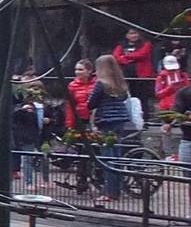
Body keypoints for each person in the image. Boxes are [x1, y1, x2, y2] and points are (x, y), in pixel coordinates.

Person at [87, 53, 136, 205]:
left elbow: (91, 103)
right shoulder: (120, 84)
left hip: (106, 120)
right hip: (120, 120)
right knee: (117, 156)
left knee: (108, 158)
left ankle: (110, 192)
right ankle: (117, 189)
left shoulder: (101, 84)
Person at [113, 28, 155, 111]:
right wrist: (127, 61)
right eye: (131, 33)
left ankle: (144, 117)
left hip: (141, 76)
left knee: (142, 97)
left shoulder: (146, 44)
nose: (134, 35)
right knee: (129, 97)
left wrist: (126, 56)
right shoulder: (121, 45)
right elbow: (116, 56)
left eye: (136, 33)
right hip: (127, 76)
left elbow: (142, 54)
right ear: (126, 35)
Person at [64, 58, 95, 131]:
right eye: (76, 69)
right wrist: (69, 125)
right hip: (80, 119)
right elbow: (69, 106)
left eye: (80, 69)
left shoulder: (97, 83)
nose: (77, 72)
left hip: (95, 119)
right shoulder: (72, 85)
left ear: (89, 71)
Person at [174, 78, 191, 165]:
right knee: (185, 172)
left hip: (187, 140)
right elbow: (177, 112)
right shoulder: (183, 93)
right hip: (187, 139)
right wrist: (168, 123)